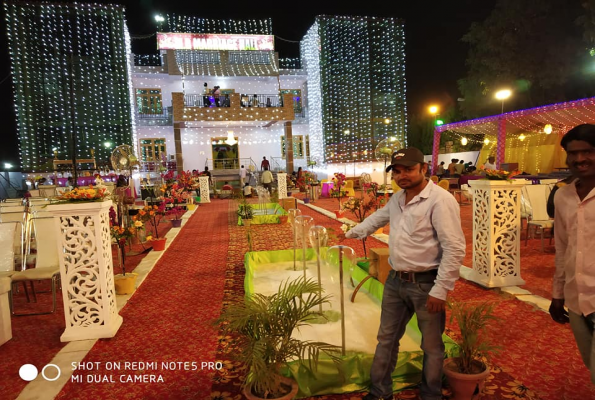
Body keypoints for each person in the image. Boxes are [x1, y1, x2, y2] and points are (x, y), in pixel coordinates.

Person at [344, 147, 466, 400]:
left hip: (426, 285)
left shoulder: (440, 200)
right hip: (395, 281)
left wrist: (441, 290)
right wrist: (350, 234)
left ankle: (430, 395)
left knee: (431, 346)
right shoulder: (398, 198)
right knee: (386, 340)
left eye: (409, 170)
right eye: (397, 172)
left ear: (424, 169)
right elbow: (377, 219)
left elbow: (454, 248)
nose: (402, 176)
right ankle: (380, 393)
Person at [549, 124, 595, 384]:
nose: (579, 159)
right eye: (573, 153)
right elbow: (563, 248)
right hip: (577, 301)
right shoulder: (563, 195)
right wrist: (558, 294)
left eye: (588, 151)